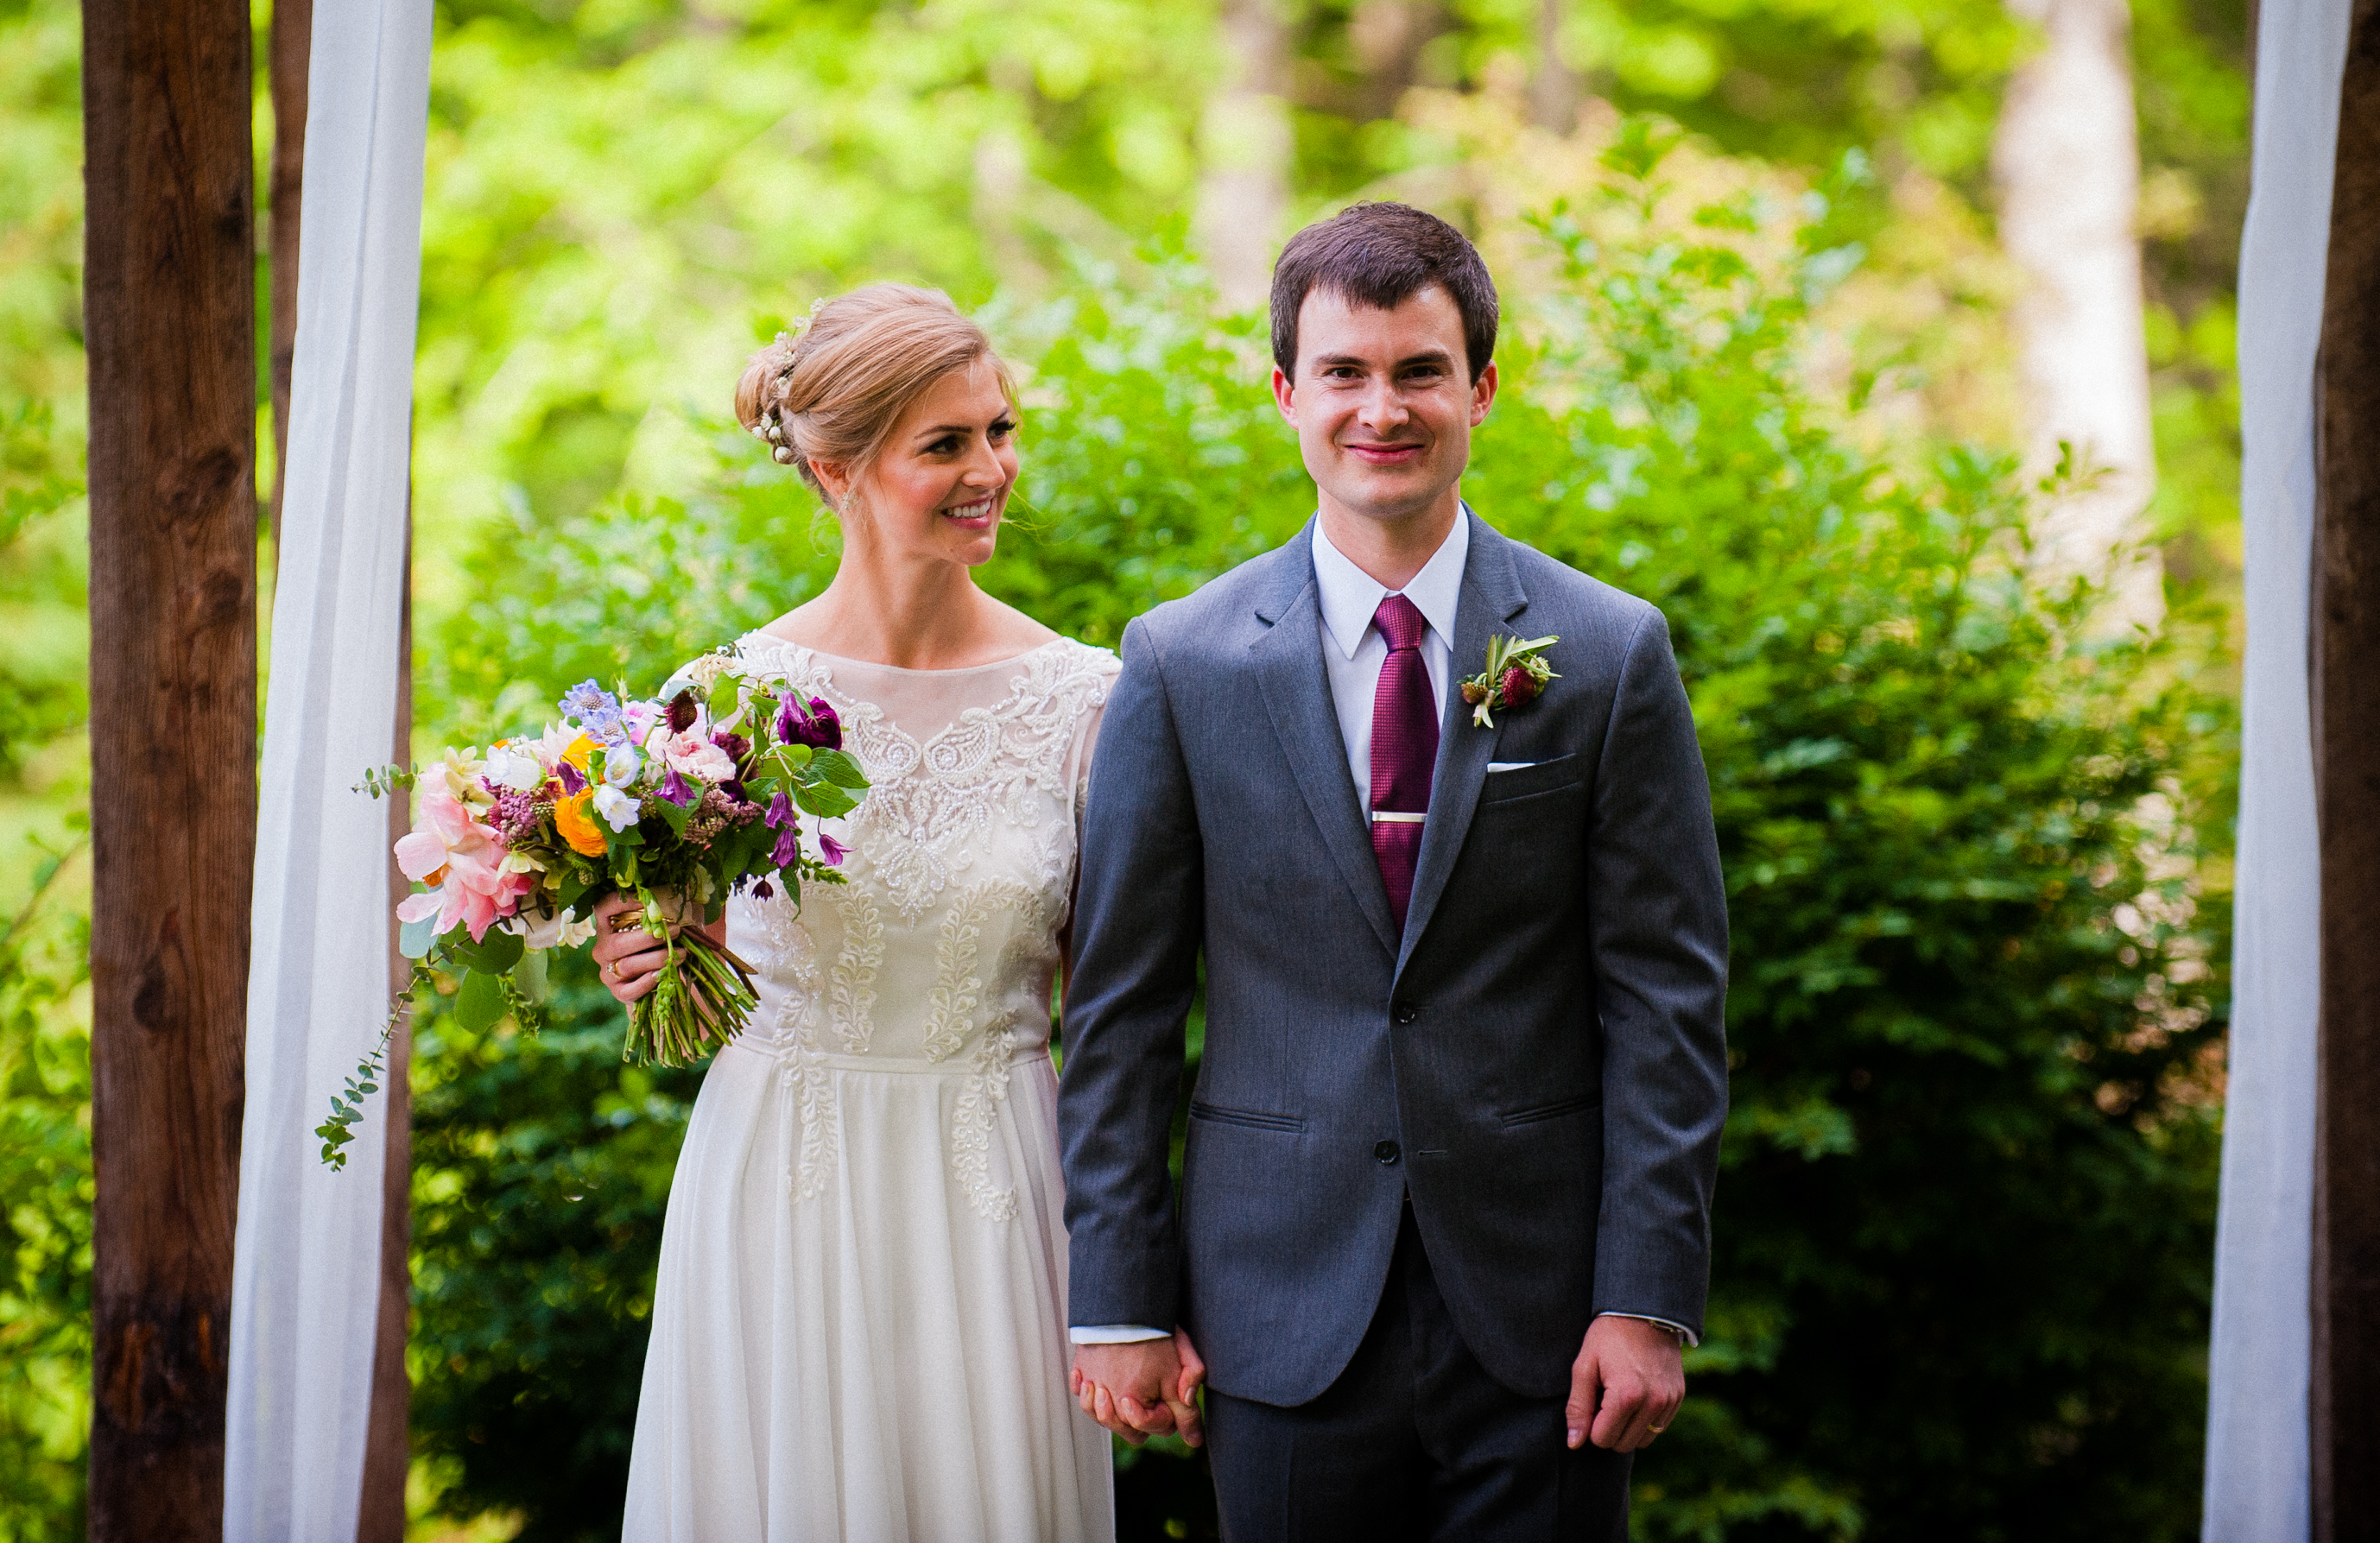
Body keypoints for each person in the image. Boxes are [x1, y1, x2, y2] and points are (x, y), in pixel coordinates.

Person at [1057, 203, 1731, 1539]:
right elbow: (1122, 1006)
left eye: (1420, 370)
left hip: (1548, 1324)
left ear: (1480, 386)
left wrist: (1646, 1296)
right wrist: (1122, 1298)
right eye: (1345, 373)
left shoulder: (1606, 652)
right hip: (1274, 1313)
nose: (1384, 407)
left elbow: (1665, 1001)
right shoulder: (1183, 662)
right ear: (1284, 393)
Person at [594, 283, 1136, 1541]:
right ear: (836, 468)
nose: (990, 469)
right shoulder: (720, 702)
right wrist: (647, 954)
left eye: (998, 432)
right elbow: (684, 951)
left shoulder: (1086, 703)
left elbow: (1115, 1004)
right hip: (783, 1175)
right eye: (945, 445)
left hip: (996, 1179)